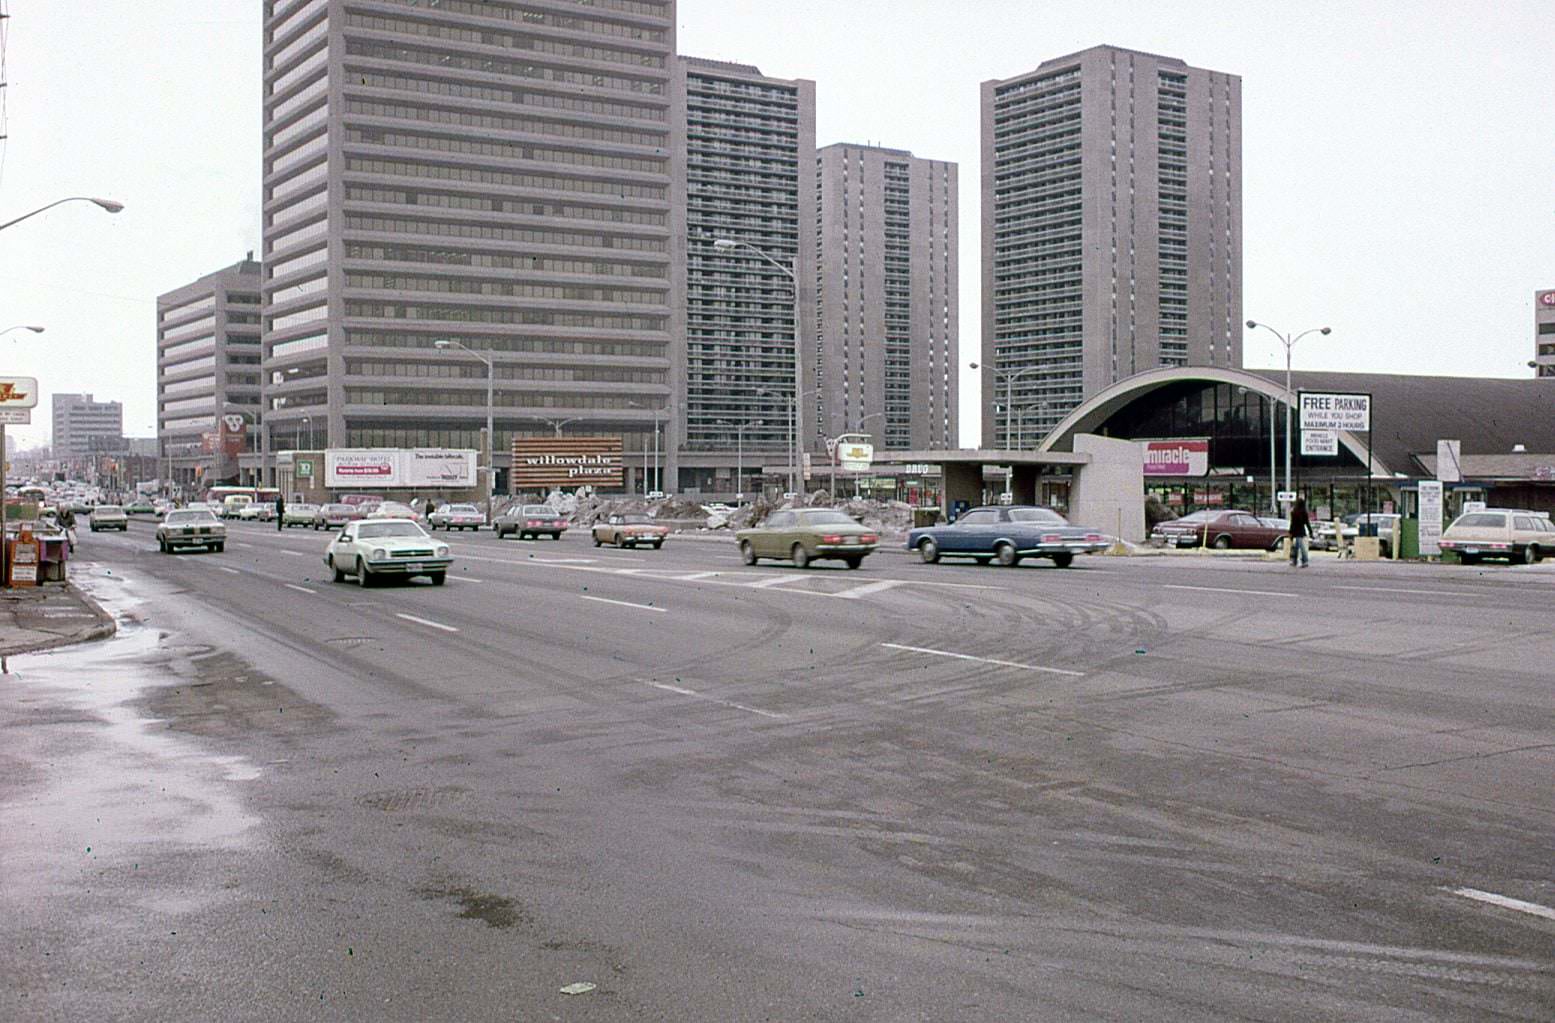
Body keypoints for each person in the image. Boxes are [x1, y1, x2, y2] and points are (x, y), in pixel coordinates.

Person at [1288, 497, 1312, 568]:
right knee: (1300, 546)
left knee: (1296, 546)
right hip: (1301, 531)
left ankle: (1296, 560)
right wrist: (1310, 531)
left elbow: (1292, 523)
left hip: (1295, 531)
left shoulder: (1294, 512)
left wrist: (1290, 532)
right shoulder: (1304, 512)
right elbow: (1307, 523)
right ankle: (1303, 561)